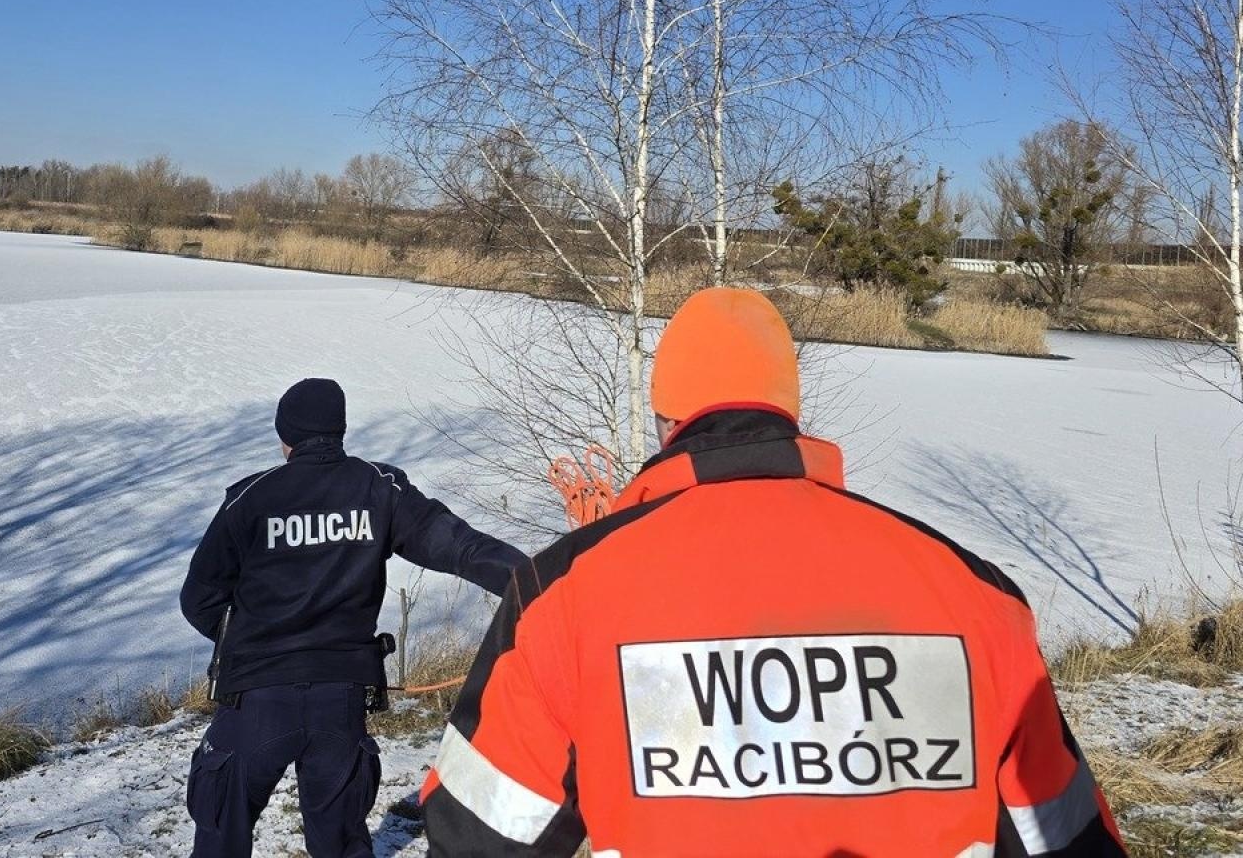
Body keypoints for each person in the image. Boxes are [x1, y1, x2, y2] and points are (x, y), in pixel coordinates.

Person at [421, 288, 1125, 857]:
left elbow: (477, 836)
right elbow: (1066, 836)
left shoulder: (564, 595)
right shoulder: (975, 594)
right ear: (790, 412)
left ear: (666, 421)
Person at [180, 376, 525, 858]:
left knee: (220, 835)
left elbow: (199, 598)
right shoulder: (379, 488)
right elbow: (461, 548)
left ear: (285, 435)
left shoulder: (251, 498)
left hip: (255, 697)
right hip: (340, 700)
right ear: (339, 429)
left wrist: (249, 641)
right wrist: (543, 586)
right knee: (341, 844)